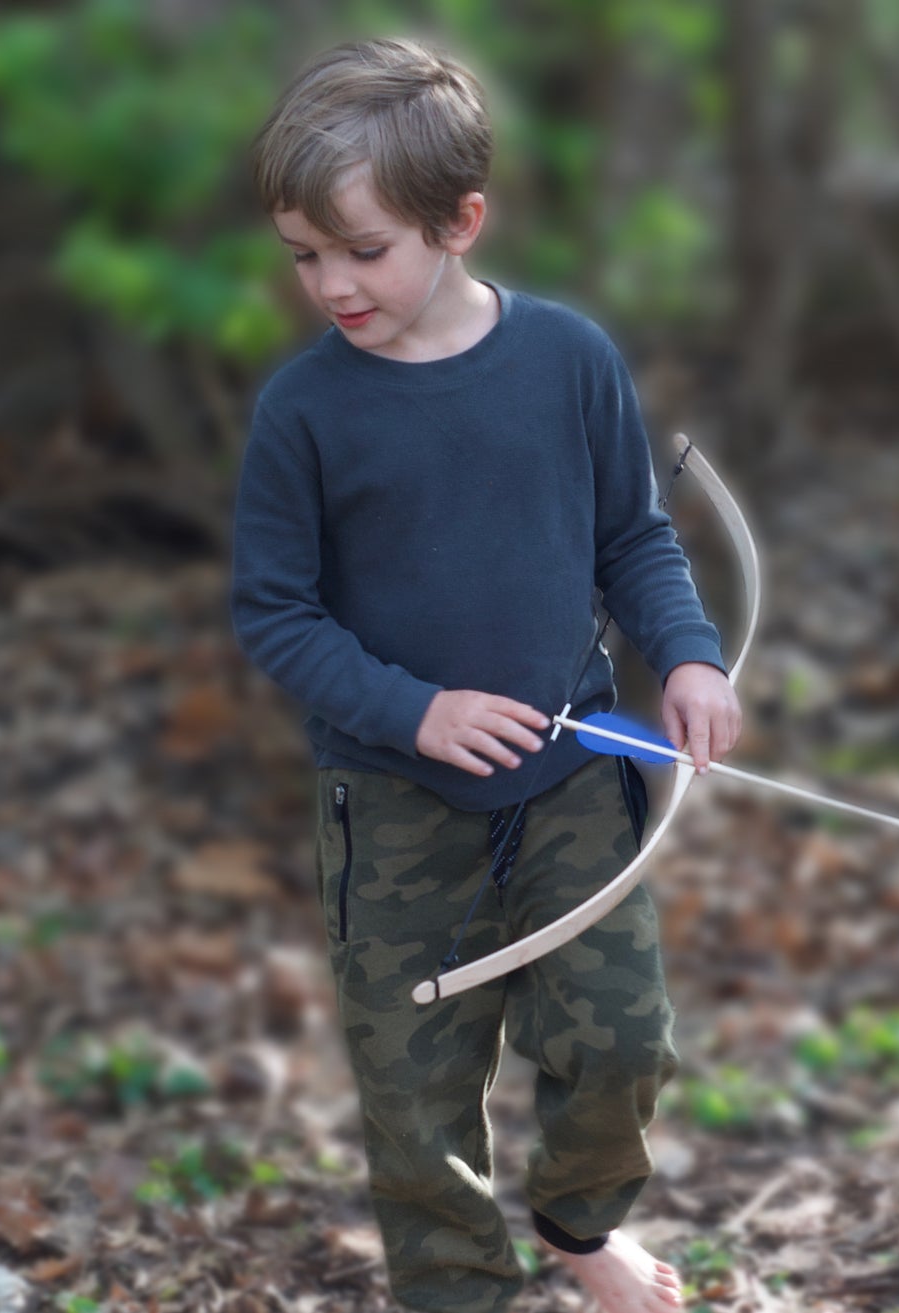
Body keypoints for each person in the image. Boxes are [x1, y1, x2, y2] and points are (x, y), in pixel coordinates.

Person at [231, 35, 741, 1313]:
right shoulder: (305, 411)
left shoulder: (566, 359)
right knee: (415, 1100)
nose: (330, 284)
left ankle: (577, 1219)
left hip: (571, 774)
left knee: (622, 1039)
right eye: (303, 256)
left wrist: (685, 654)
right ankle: (458, 1292)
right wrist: (414, 710)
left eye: (362, 250)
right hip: (391, 803)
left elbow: (630, 537)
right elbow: (275, 613)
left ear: (459, 221)